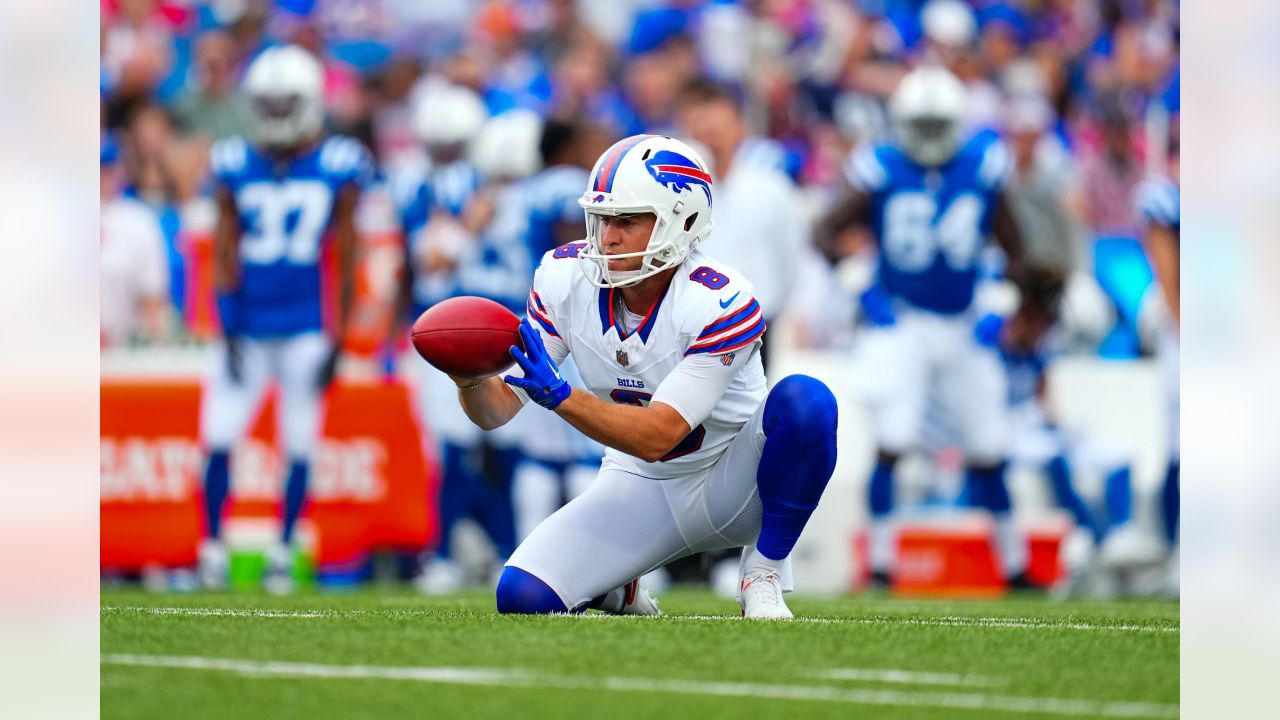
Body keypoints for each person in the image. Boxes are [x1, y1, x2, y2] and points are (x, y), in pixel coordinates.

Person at [444, 135, 838, 618]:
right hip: (642, 483)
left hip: (738, 482)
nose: (605, 237)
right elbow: (497, 410)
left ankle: (764, 571)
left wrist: (562, 397)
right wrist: (467, 379)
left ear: (682, 221)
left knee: (807, 403)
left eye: (626, 221)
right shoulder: (563, 279)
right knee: (522, 598)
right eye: (601, 218)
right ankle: (620, 589)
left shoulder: (717, 301)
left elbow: (660, 434)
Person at [814, 66, 1028, 587]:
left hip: (962, 320)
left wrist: (1001, 298)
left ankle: (1016, 565)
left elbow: (1015, 245)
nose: (931, 137)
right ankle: (883, 566)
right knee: (894, 437)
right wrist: (858, 282)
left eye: (940, 125)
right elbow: (825, 231)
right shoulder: (882, 164)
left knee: (989, 444)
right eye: (922, 125)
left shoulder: (983, 163)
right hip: (902, 320)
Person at [198, 45, 370, 593]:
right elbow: (224, 246)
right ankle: (210, 548)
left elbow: (346, 251)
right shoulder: (232, 160)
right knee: (219, 435)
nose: (272, 115)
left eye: (283, 104)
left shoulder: (339, 162)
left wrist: (339, 336)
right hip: (247, 324)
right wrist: (224, 320)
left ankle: (284, 546)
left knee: (300, 442)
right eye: (265, 104)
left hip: (303, 326)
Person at [1136, 129, 1179, 595]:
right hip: (1184, 331)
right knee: (1184, 449)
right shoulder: (1166, 200)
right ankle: (1177, 550)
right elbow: (1168, 270)